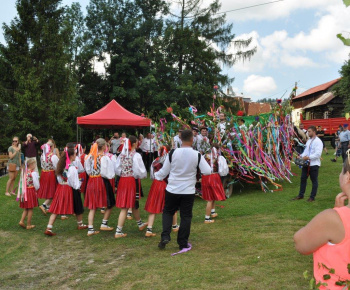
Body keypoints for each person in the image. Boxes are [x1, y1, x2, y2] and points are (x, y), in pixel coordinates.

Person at [294, 157, 350, 288]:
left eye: (341, 171)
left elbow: (300, 243)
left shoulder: (331, 219)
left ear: (347, 177)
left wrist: (337, 214)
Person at [155, 129, 212, 250]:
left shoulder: (172, 153)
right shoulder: (196, 154)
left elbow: (164, 171)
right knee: (186, 216)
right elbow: (207, 171)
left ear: (180, 139)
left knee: (168, 212)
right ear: (192, 139)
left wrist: (156, 176)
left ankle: (165, 236)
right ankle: (182, 242)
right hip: (188, 190)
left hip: (172, 188)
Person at [44, 145, 88, 236]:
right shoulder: (72, 168)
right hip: (70, 189)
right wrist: (79, 184)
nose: (76, 155)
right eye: (75, 154)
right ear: (71, 156)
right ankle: (80, 224)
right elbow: (74, 183)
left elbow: (59, 178)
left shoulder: (61, 166)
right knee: (78, 206)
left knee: (56, 208)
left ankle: (49, 227)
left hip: (61, 188)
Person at [114, 136, 148, 238]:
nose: (138, 144)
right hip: (131, 180)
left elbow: (117, 169)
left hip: (123, 180)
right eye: (137, 142)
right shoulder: (136, 155)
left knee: (133, 202)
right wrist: (141, 175)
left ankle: (140, 224)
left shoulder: (122, 155)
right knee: (125, 206)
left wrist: (123, 173)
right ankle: (118, 231)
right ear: (133, 144)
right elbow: (139, 170)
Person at [144, 145, 179, 237]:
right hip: (165, 184)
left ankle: (149, 229)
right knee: (171, 204)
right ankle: (174, 226)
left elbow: (152, 175)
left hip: (156, 184)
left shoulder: (155, 160)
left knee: (153, 205)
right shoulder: (169, 160)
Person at [84, 138, 116, 236]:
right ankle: (104, 223)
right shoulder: (104, 157)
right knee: (110, 202)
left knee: (92, 206)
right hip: (101, 181)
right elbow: (106, 173)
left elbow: (88, 170)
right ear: (104, 146)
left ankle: (90, 228)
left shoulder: (89, 157)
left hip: (91, 181)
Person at [293, 126, 323, 202]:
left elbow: (318, 154)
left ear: (314, 132)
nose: (308, 133)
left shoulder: (318, 141)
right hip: (306, 164)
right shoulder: (309, 141)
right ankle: (301, 195)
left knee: (314, 180)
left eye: (309, 131)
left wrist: (308, 157)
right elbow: (306, 151)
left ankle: (312, 197)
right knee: (303, 179)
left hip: (314, 164)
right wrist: (301, 156)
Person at [201, 145, 229, 223]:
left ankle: (213, 212)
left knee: (211, 195)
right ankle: (207, 218)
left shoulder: (203, 156)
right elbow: (223, 170)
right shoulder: (218, 157)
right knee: (210, 199)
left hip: (205, 177)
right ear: (217, 149)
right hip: (213, 177)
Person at [38, 142, 59, 215]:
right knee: (52, 190)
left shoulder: (42, 156)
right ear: (52, 147)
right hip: (50, 174)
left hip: (44, 173)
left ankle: (47, 205)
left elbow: (42, 165)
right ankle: (44, 204)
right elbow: (56, 167)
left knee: (48, 189)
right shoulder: (53, 156)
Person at [18, 158, 39, 230]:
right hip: (30, 191)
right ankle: (28, 224)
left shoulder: (24, 172)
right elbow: (36, 184)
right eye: (34, 164)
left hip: (24, 192)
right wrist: (37, 189)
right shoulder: (33, 173)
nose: (35, 165)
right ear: (31, 165)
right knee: (30, 208)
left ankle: (21, 221)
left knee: (26, 208)